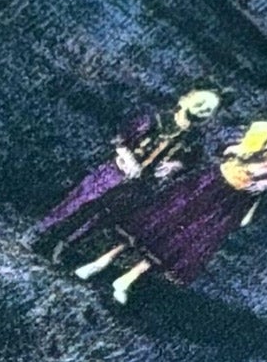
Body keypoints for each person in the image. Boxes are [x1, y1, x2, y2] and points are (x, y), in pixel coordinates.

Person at [74, 97, 267, 304]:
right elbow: (228, 149)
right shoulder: (263, 130)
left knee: (188, 238)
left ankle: (128, 278)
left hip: (236, 199)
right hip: (214, 181)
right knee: (162, 218)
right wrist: (238, 153)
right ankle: (102, 261)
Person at [29, 87, 222, 257]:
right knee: (80, 202)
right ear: (185, 99)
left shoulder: (194, 139)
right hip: (114, 172)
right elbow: (119, 140)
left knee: (100, 217)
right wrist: (129, 161)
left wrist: (175, 166)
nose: (203, 109)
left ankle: (61, 246)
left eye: (209, 109)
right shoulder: (156, 119)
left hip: (139, 186)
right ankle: (39, 232)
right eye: (201, 102)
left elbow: (190, 162)